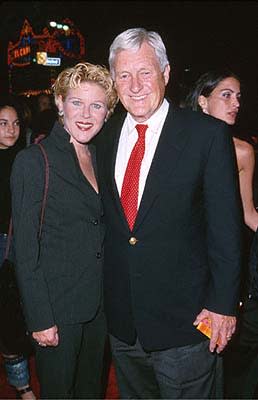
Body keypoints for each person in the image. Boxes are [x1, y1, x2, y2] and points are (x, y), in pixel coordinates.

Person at [95, 27, 243, 399]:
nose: (135, 85)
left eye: (145, 72)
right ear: (114, 80)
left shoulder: (206, 135)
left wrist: (223, 305)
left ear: (166, 72)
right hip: (125, 325)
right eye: (124, 75)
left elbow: (226, 228)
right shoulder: (105, 137)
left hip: (188, 323)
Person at [10, 62, 118, 399]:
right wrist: (40, 318)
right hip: (56, 310)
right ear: (59, 103)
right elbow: (25, 250)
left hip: (98, 306)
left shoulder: (102, 157)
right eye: (76, 102)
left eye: (97, 105)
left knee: (90, 391)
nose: (86, 114)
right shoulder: (34, 160)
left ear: (107, 111)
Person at [184, 69, 258, 233]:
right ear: (203, 101)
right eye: (227, 95)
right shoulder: (178, 143)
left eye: (238, 97)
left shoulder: (242, 152)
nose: (236, 104)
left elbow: (249, 214)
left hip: (216, 247)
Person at [0, 96, 36, 399]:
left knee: (10, 315)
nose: (10, 130)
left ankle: (21, 384)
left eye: (14, 123)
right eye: (2, 124)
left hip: (13, 245)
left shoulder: (26, 158)